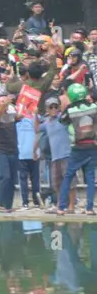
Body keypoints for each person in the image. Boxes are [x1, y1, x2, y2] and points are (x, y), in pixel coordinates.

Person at [55, 83, 97, 215]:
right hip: (92, 145)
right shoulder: (94, 107)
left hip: (77, 147)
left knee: (68, 176)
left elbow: (61, 121)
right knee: (90, 177)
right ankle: (89, 208)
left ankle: (61, 207)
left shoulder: (70, 110)